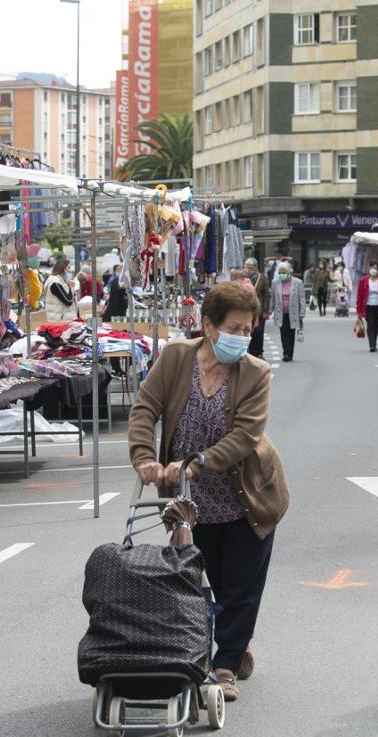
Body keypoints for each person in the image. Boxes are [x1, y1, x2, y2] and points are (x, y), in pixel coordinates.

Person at [129, 281, 290, 702]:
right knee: (199, 580)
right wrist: (145, 456)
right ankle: (230, 647)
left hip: (247, 497)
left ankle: (226, 664)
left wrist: (194, 463)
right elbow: (145, 408)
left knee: (240, 585)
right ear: (207, 324)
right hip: (189, 499)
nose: (242, 336)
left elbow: (245, 435)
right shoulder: (176, 358)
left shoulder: (255, 372)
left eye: (248, 329)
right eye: (233, 327)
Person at [269, 261, 305, 361]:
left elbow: (302, 298)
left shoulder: (298, 282)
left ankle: (290, 353)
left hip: (293, 312)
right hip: (281, 312)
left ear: (289, 272)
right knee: (283, 333)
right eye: (280, 273)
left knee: (291, 333)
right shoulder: (275, 282)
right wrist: (269, 310)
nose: (281, 275)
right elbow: (272, 298)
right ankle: (285, 353)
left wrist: (302, 313)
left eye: (283, 273)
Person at [104, 264, 130, 376]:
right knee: (114, 345)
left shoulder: (119, 284)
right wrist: (115, 321)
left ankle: (118, 369)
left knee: (117, 344)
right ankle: (116, 369)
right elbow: (114, 304)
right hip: (114, 317)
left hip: (117, 316)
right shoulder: (117, 284)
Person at [245, 257, 271, 358]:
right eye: (246, 267)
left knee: (259, 332)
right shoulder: (243, 277)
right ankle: (250, 352)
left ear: (255, 268)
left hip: (259, 309)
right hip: (247, 309)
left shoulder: (262, 277)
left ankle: (259, 352)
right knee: (249, 331)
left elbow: (266, 295)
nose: (248, 270)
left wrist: (266, 310)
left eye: (250, 268)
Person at [42, 257, 79, 322]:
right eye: (68, 267)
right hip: (60, 322)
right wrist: (71, 287)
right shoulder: (55, 283)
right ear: (62, 269)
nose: (71, 271)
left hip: (64, 320)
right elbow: (68, 301)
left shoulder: (62, 282)